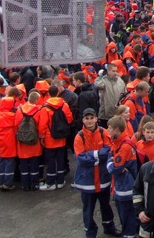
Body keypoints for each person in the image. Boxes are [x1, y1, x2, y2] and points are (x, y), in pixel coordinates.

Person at [73, 108, 121, 238]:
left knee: (105, 205)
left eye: (91, 118)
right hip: (87, 180)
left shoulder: (103, 132)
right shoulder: (79, 136)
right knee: (88, 209)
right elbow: (81, 159)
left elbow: (109, 150)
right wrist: (99, 156)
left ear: (96, 119)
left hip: (102, 176)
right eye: (87, 118)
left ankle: (109, 226)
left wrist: (92, 156)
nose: (89, 121)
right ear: (83, 120)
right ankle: (90, 232)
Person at [106, 115, 139, 238]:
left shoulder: (124, 146)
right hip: (121, 186)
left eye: (109, 128)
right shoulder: (118, 143)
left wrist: (110, 162)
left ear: (117, 129)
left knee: (127, 217)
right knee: (124, 216)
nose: (108, 130)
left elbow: (114, 168)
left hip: (126, 188)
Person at [38, 85, 73, 190]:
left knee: (51, 161)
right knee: (60, 159)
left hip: (50, 138)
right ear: (58, 92)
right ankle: (61, 180)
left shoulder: (45, 108)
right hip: (61, 137)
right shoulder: (64, 105)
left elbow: (42, 125)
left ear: (48, 93)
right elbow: (69, 119)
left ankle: (51, 182)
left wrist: (42, 137)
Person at [95, 64, 127, 128]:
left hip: (118, 113)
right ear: (108, 71)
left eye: (116, 71)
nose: (115, 73)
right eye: (113, 71)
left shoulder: (120, 81)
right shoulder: (103, 81)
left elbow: (124, 94)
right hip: (105, 115)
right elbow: (97, 84)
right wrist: (99, 76)